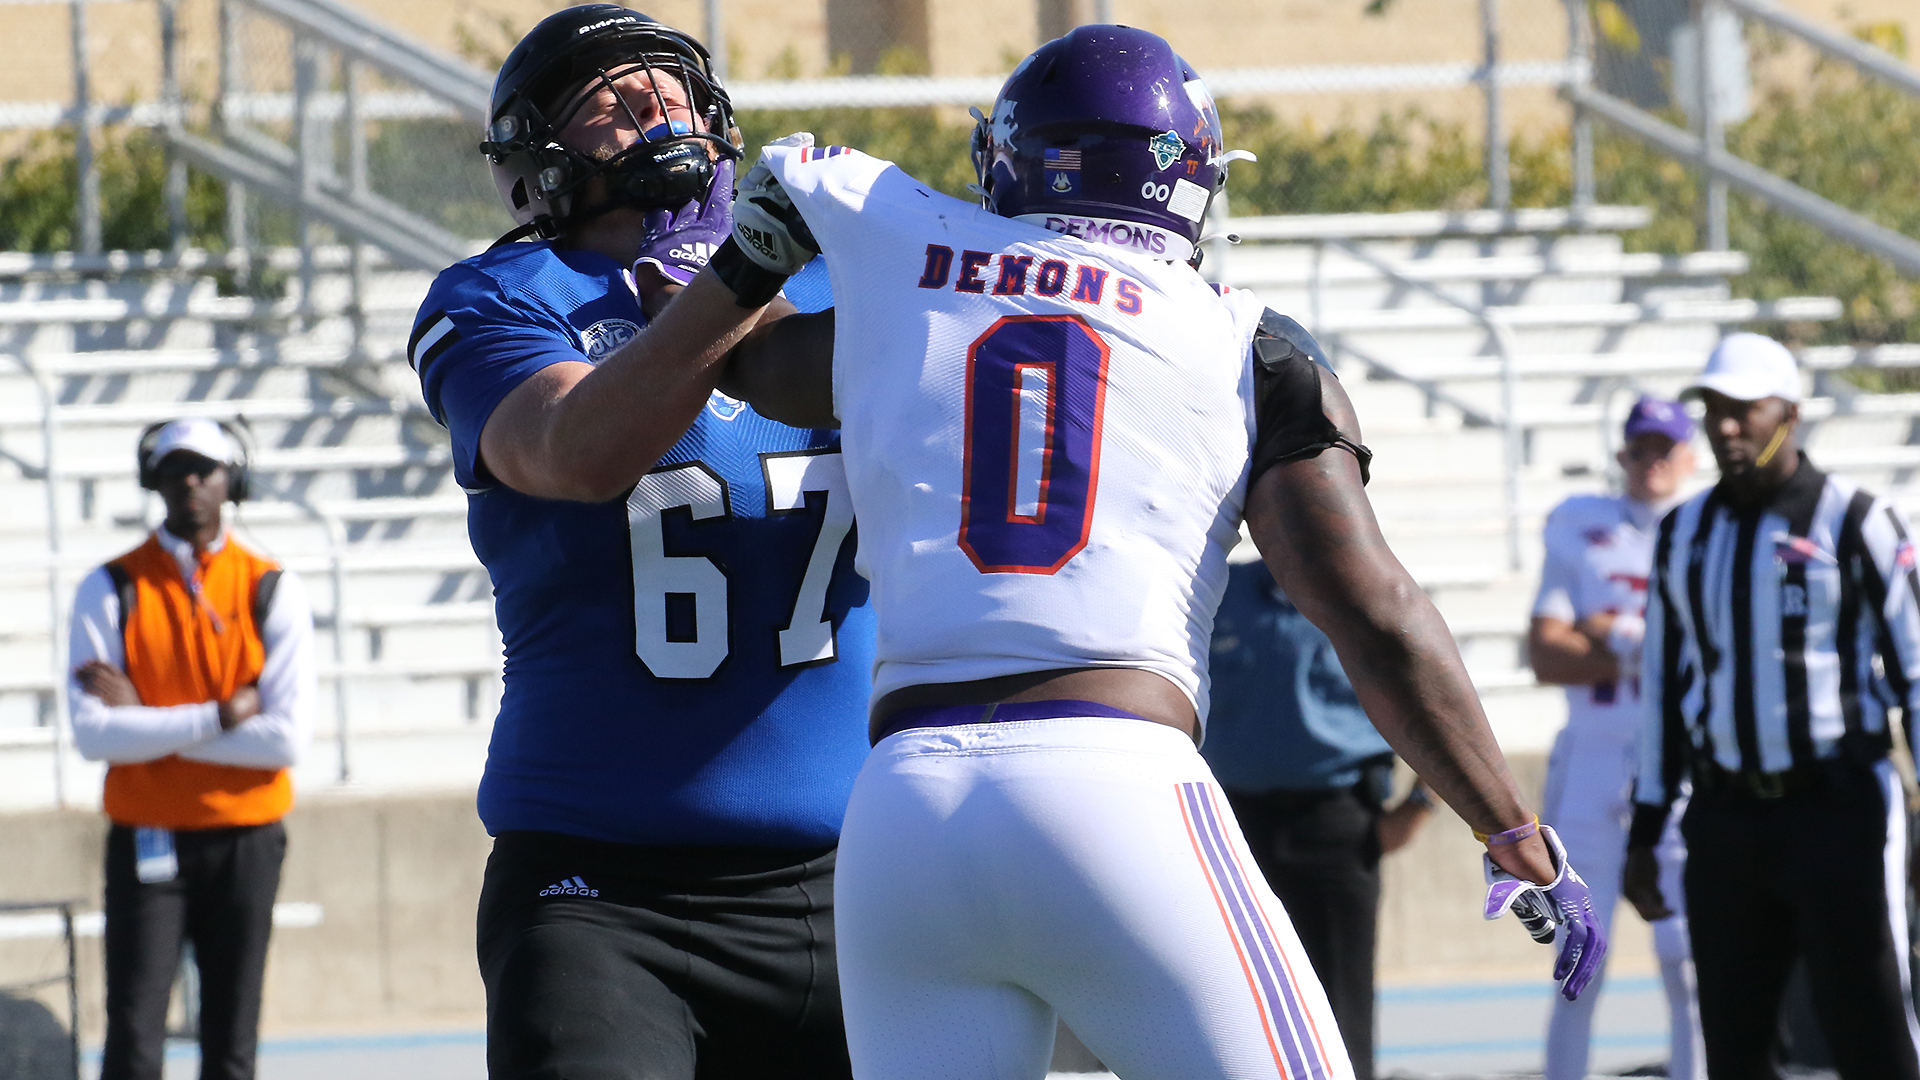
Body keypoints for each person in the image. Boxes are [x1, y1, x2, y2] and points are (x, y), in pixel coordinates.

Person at [635, 25, 1609, 1079]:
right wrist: (1512, 829)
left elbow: (740, 361)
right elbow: (1370, 610)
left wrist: (704, 263)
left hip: (903, 810)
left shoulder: (910, 271)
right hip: (1113, 788)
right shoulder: (1243, 338)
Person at [408, 8, 875, 1078]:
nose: (650, 105)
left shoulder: (831, 278)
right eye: (604, 97)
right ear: (535, 160)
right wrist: (732, 280)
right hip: (608, 899)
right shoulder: (500, 297)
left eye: (668, 88)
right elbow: (579, 452)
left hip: (856, 876)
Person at [1624, 332, 1920, 1080]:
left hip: (1838, 809)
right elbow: (1663, 682)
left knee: (1871, 1030)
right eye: (1714, 409)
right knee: (1736, 1044)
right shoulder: (1683, 533)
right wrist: (1648, 825)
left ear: (1788, 413)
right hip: (1725, 819)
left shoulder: (1856, 520)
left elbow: (1917, 672)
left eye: (1743, 409)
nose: (1726, 426)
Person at [68, 417, 315, 1080]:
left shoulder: (271, 587)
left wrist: (146, 724)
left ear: (234, 478)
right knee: (134, 1032)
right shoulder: (111, 587)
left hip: (247, 837)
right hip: (148, 832)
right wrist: (219, 717)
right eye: (177, 470)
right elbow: (95, 734)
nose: (192, 484)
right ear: (155, 480)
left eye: (205, 468)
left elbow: (284, 739)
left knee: (232, 1034)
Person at [1529, 396, 1705, 1080]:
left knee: (1685, 961)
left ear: (1688, 458)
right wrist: (1648, 655)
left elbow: (1711, 657)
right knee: (1579, 957)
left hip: (1681, 764)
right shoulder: (1582, 524)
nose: (1652, 462)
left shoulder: (1708, 526)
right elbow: (1546, 654)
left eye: (1666, 448)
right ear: (1622, 455)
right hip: (1594, 757)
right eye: (1641, 448)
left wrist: (1620, 637)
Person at [1203, 561, 1433, 1080]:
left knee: (1338, 1006)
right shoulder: (1216, 587)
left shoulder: (1374, 593)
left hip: (1336, 823)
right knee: (1231, 1002)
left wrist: (1418, 808)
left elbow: (1434, 700)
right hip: (1229, 822)